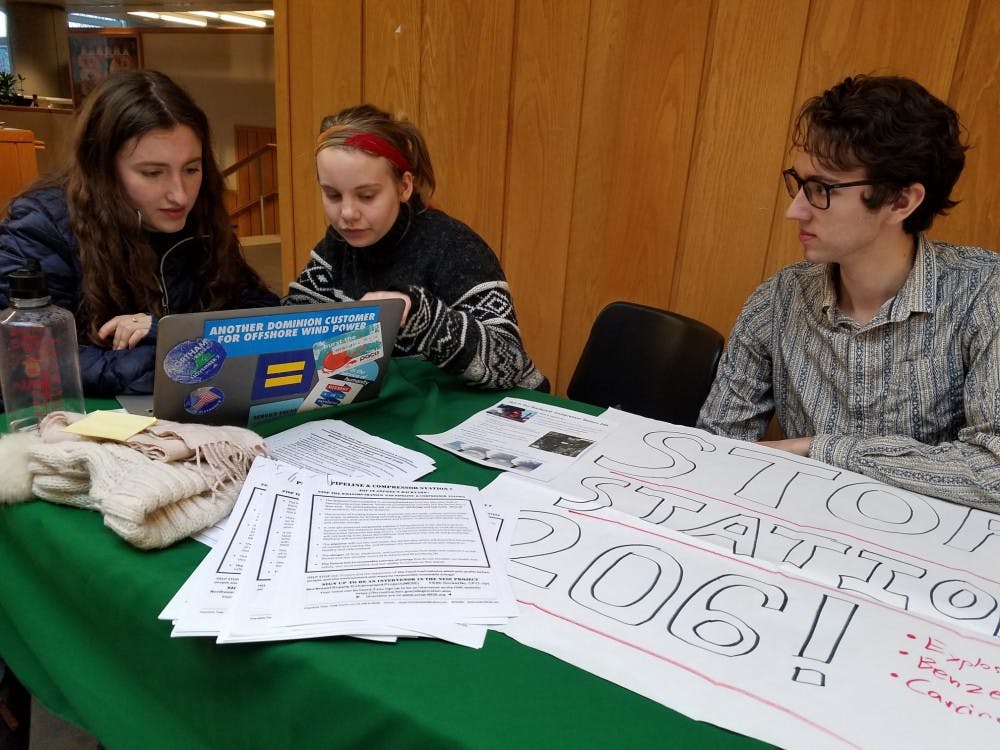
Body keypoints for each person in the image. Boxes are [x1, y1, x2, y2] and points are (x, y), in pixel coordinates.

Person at [697, 74, 1000, 510]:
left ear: (901, 201)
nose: (794, 209)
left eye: (821, 189)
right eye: (798, 184)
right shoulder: (778, 299)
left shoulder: (983, 294)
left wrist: (820, 449)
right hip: (798, 537)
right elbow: (714, 448)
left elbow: (993, 471)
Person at [0, 70, 278, 397]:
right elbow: (27, 360)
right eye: (152, 173)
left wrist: (166, 335)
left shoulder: (201, 213)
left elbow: (262, 321)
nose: (180, 194)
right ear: (103, 169)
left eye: (191, 168)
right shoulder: (40, 225)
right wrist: (176, 355)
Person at [284, 104, 547, 391]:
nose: (347, 213)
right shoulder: (336, 245)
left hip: (497, 412)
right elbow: (293, 329)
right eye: (332, 195)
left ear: (404, 187)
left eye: (367, 196)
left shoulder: (455, 246)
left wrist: (421, 316)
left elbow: (510, 363)